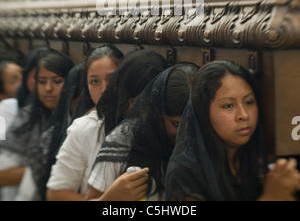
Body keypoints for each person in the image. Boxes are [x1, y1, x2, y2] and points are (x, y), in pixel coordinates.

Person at [165, 60, 300, 202]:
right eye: (228, 105)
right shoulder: (184, 175)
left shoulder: (259, 159)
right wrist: (271, 197)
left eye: (249, 102)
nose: (244, 115)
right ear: (203, 112)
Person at [46, 49, 168, 201]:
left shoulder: (165, 128)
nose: (104, 89)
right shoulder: (87, 129)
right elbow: (55, 194)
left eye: (110, 80)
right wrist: (110, 198)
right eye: (94, 82)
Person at [87, 62, 199, 201]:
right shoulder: (126, 139)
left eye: (193, 125)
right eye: (176, 124)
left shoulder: (211, 141)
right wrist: (111, 198)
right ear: (158, 115)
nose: (185, 133)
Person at [0, 51, 74, 201]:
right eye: (41, 81)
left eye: (57, 81)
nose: (48, 88)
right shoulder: (29, 116)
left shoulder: (75, 121)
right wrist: (40, 168)